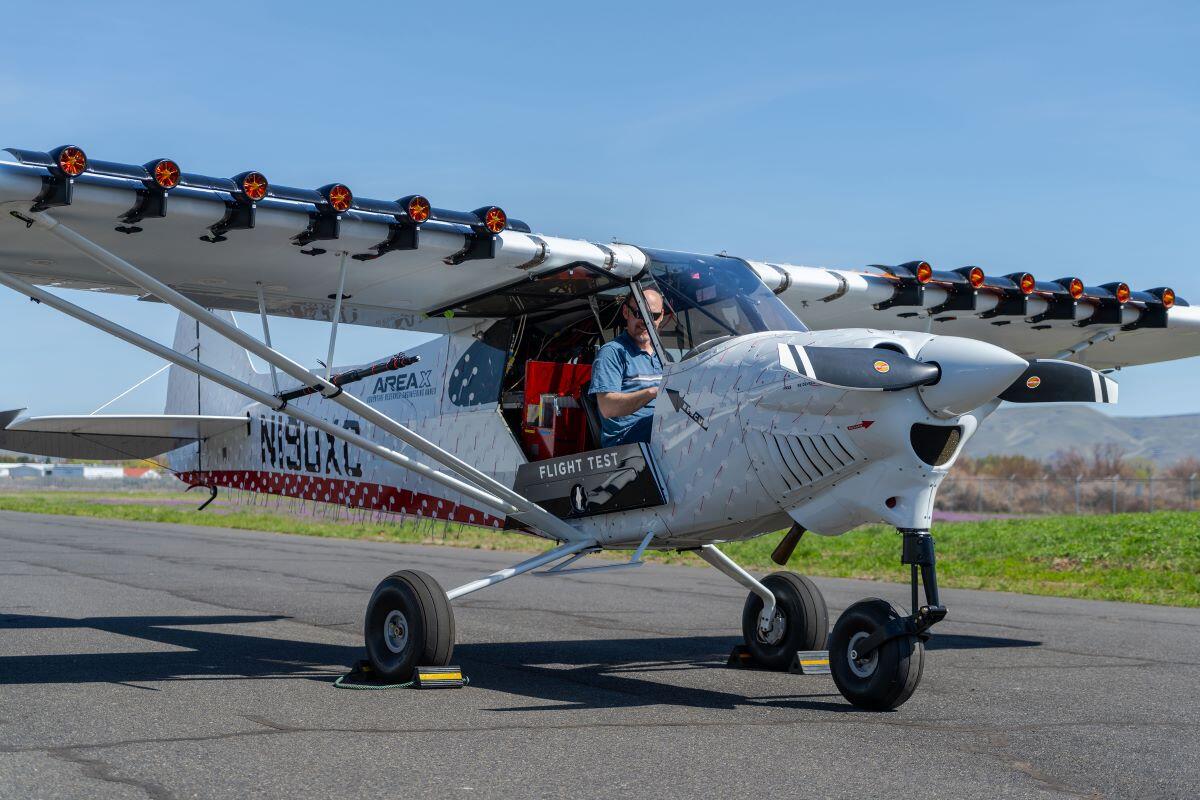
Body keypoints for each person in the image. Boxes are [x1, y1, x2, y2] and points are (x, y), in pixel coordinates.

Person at [589, 289, 665, 447]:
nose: (645, 321)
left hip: (660, 432)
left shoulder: (664, 357)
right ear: (626, 312)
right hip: (625, 441)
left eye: (653, 316)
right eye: (639, 313)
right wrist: (652, 392)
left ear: (661, 316)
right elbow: (607, 407)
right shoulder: (612, 352)